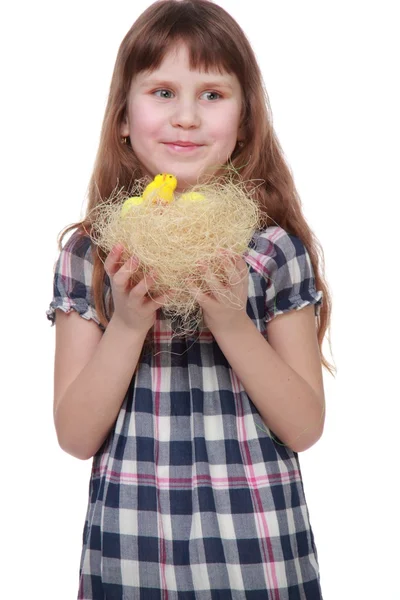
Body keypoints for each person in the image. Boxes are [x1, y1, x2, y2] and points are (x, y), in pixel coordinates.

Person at [48, 1, 333, 597]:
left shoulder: (273, 250)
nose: (185, 117)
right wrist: (127, 325)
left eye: (211, 95)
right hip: (129, 557)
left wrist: (231, 320)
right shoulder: (93, 253)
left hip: (261, 556)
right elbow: (75, 436)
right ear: (123, 115)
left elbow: (305, 426)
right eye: (161, 92)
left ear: (246, 120)